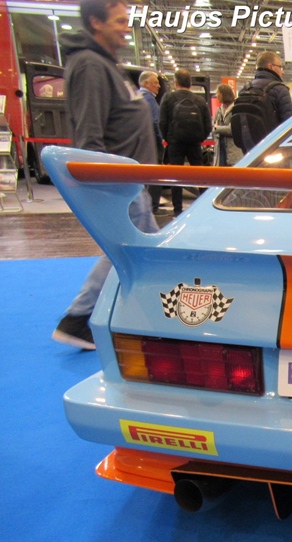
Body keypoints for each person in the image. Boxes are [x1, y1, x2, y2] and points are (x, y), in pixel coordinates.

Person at [52, 0, 159, 350]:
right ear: (96, 22)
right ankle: (78, 318)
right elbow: (89, 133)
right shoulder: (90, 65)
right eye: (119, 21)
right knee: (127, 250)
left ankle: (119, 316)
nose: (126, 27)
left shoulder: (107, 64)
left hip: (129, 180)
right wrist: (102, 184)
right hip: (118, 182)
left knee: (142, 251)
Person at [159, 69, 212, 216]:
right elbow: (208, 125)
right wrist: (199, 138)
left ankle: (178, 210)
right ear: (190, 83)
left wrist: (169, 139)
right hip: (195, 143)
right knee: (200, 175)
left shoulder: (168, 98)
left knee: (176, 176)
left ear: (176, 82)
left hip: (175, 143)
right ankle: (205, 208)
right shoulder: (199, 100)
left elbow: (162, 122)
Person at [138, 71, 164, 215]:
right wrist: (162, 140)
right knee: (155, 175)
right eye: (155, 83)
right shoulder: (149, 100)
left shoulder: (136, 97)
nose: (158, 86)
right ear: (146, 84)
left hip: (139, 144)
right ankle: (153, 207)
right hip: (151, 143)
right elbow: (156, 122)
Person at [248, 51, 292, 123]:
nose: (283, 72)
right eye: (280, 67)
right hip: (274, 130)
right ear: (271, 67)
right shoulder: (280, 90)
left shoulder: (246, 89)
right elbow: (289, 122)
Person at [212, 84, 243, 166]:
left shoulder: (236, 109)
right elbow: (214, 128)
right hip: (220, 150)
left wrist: (217, 129)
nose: (216, 95)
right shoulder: (219, 110)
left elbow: (233, 129)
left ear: (223, 94)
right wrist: (216, 129)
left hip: (234, 151)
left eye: (218, 93)